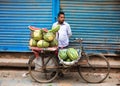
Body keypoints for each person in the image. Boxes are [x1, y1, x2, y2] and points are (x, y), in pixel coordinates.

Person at [51, 11, 72, 77]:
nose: (63, 19)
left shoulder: (67, 25)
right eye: (61, 17)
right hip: (56, 45)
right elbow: (52, 34)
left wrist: (64, 38)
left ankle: (61, 72)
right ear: (58, 18)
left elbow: (69, 34)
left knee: (63, 59)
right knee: (56, 59)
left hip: (65, 45)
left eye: (64, 17)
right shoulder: (54, 25)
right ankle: (55, 71)